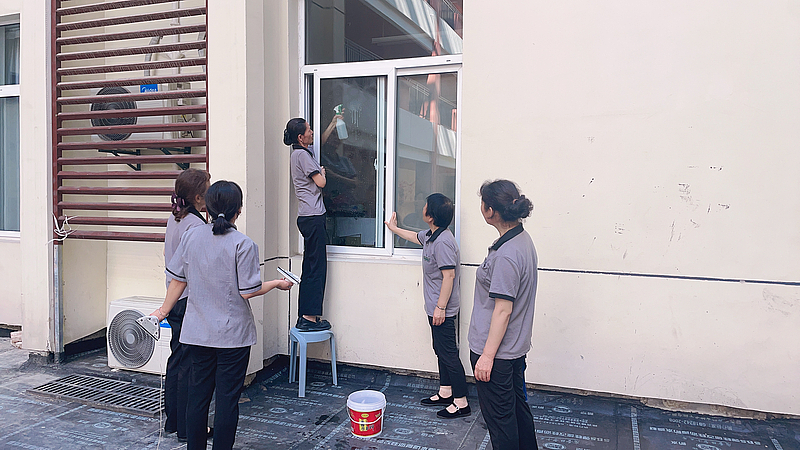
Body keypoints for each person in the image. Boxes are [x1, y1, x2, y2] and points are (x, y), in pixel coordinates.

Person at [151, 180, 293, 450]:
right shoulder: (244, 244)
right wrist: (277, 283)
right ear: (238, 210)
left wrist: (162, 312)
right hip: (233, 338)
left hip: (197, 334)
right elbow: (248, 291)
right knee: (227, 401)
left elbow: (178, 280)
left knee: (197, 398)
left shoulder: (192, 237)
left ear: (207, 207)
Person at [385, 193, 470, 419]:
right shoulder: (433, 235)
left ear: (430, 216)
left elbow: (449, 276)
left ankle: (461, 402)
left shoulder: (443, 242)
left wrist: (441, 308)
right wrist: (393, 229)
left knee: (449, 354)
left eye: (425, 206)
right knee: (440, 350)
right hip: (434, 307)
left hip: (442, 309)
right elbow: (415, 236)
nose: (422, 207)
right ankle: (446, 391)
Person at [468, 180, 538, 450]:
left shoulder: (507, 255)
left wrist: (487, 357)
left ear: (490, 211)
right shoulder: (521, 240)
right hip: (512, 351)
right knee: (518, 412)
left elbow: (503, 309)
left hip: (497, 354)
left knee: (501, 422)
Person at [163, 168, 211, 442]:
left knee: (177, 359)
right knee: (189, 366)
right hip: (187, 300)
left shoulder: (176, 217)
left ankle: (173, 419)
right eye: (208, 190)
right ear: (198, 197)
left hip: (174, 298)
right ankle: (187, 427)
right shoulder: (196, 226)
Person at [284, 116, 340, 331]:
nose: (312, 132)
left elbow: (320, 141)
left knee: (310, 266)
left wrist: (333, 122)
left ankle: (305, 316)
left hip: (307, 217)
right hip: (313, 217)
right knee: (316, 268)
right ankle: (309, 318)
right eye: (309, 130)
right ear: (301, 137)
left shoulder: (300, 152)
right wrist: (323, 172)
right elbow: (321, 182)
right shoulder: (302, 156)